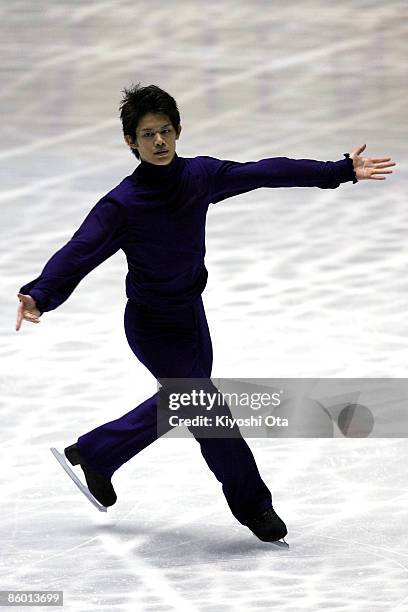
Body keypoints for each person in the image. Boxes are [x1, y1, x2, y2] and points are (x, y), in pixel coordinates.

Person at [15, 83, 395, 543]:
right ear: (130, 142)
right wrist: (41, 292)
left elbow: (263, 172)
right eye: (148, 133)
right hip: (152, 326)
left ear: (178, 132)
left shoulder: (199, 177)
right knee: (207, 410)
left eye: (166, 131)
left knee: (184, 403)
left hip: (192, 320)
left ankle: (97, 453)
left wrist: (337, 171)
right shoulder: (123, 204)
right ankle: (255, 506)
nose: (159, 142)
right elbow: (82, 249)